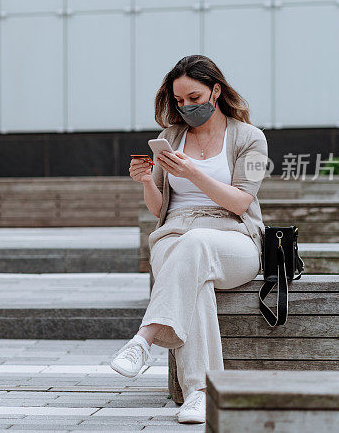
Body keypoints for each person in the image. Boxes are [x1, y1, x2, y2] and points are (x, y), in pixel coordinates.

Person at [110, 54, 268, 424]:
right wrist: (147, 181)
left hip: (234, 236)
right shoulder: (170, 138)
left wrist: (195, 174)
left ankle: (143, 340)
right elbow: (159, 209)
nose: (186, 107)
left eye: (194, 98)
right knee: (194, 276)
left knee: (195, 244)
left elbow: (241, 201)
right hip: (175, 231)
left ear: (216, 90)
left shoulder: (250, 138)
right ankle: (199, 394)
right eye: (179, 101)